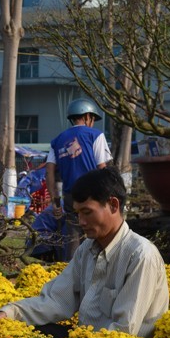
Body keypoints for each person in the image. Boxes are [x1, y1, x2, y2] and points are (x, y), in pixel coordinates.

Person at [0, 167, 168, 338]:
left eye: (87, 212)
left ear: (113, 205)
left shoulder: (140, 255)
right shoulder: (87, 249)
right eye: (78, 213)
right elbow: (57, 300)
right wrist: (9, 313)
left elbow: (124, 331)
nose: (81, 222)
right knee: (27, 331)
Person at [46, 98, 112, 261]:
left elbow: (49, 173)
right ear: (87, 116)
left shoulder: (57, 141)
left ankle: (72, 276)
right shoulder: (95, 135)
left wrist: (55, 203)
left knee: (73, 237)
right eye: (93, 119)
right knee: (98, 234)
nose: (93, 123)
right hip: (93, 195)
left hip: (71, 197)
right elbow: (102, 167)